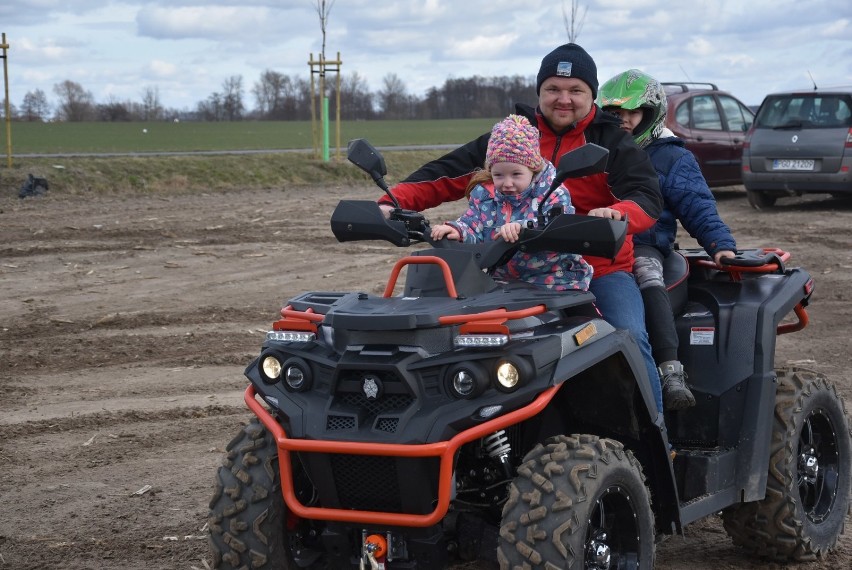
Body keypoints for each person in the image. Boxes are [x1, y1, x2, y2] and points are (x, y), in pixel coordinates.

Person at [380, 43, 666, 413]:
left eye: (575, 90)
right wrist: (393, 202)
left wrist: (616, 214)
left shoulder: (612, 140)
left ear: (591, 95)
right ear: (540, 92)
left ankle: (658, 441)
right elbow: (448, 172)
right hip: (512, 269)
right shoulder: (513, 137)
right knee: (453, 341)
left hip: (597, 270)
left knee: (629, 335)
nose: (563, 99)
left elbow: (645, 195)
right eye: (553, 89)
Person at [597, 69, 737, 410]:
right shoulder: (595, 152)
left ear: (652, 113)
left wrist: (721, 246)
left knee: (647, 275)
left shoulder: (672, 157)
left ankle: (670, 369)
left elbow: (698, 206)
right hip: (594, 245)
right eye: (615, 114)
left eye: (632, 112)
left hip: (644, 244)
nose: (624, 121)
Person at [431, 114, 593, 292]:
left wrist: (522, 228)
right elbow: (473, 224)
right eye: (498, 175)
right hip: (503, 284)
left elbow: (560, 226)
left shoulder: (553, 193)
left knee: (591, 319)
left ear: (533, 169)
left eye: (516, 174)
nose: (507, 183)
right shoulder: (485, 195)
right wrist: (458, 230)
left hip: (556, 282)